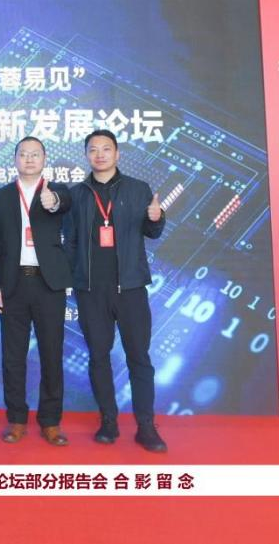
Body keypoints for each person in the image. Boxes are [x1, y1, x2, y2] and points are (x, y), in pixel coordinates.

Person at [64, 129, 167, 452]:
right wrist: (73, 279)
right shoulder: (77, 194)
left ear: (117, 153)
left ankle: (146, 426)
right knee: (98, 355)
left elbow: (152, 231)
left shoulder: (138, 189)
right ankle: (108, 421)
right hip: (91, 290)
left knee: (139, 357)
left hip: (131, 288)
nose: (100, 154)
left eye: (106, 149)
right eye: (93, 149)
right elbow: (70, 241)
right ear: (86, 155)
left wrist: (156, 218)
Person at [0, 136, 73, 446]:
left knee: (51, 353)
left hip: (48, 284)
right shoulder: (1, 196)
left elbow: (63, 204)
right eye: (23, 154)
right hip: (13, 284)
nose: (29, 159)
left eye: (35, 154)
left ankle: (50, 421)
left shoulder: (58, 191)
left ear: (44, 159)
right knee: (13, 356)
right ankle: (16, 419)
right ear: (15, 159)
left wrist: (53, 201)